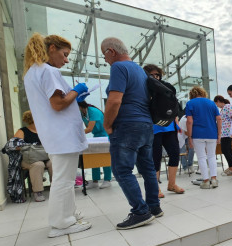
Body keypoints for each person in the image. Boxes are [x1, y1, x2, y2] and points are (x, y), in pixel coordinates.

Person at [22, 33, 91, 237]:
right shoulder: (48, 71)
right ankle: (62, 223)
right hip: (62, 135)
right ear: (52, 48)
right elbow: (58, 104)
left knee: (65, 178)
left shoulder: (32, 72)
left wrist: (73, 94)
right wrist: (76, 92)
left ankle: (68, 214)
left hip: (53, 134)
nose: (67, 59)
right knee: (64, 180)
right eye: (65, 54)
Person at [101, 37, 161, 229]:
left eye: (104, 55)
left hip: (127, 125)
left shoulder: (118, 67)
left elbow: (115, 100)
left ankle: (140, 212)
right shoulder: (139, 70)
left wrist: (108, 125)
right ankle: (154, 207)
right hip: (145, 125)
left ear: (111, 51)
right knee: (148, 169)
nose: (105, 60)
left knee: (121, 169)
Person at [143, 64, 185, 196]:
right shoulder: (144, 88)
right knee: (155, 158)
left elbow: (174, 106)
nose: (155, 77)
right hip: (154, 129)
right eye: (152, 75)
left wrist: (176, 122)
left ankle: (172, 184)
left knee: (174, 153)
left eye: (157, 75)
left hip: (169, 127)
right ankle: (156, 188)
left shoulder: (166, 87)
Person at [186, 86, 222, 189]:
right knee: (211, 156)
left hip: (197, 134)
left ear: (192, 95)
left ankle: (206, 181)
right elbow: (219, 119)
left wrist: (189, 137)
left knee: (201, 157)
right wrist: (219, 134)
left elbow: (189, 121)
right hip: (212, 133)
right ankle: (214, 179)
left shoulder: (190, 103)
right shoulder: (211, 103)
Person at [14, 110, 53, 202]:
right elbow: (15, 146)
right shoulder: (22, 131)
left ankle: (57, 188)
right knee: (38, 165)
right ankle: (38, 191)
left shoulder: (44, 130)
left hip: (45, 157)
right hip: (29, 159)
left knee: (53, 163)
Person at [78, 101, 112, 190]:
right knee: (94, 157)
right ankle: (95, 181)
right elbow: (86, 126)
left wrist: (76, 134)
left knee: (104, 157)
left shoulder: (93, 111)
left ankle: (107, 180)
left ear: (80, 106)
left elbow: (89, 129)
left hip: (105, 136)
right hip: (96, 136)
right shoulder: (82, 113)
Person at [214, 95, 232, 176]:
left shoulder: (228, 106)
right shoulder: (223, 109)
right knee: (227, 150)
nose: (217, 105)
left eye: (216, 103)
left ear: (219, 101)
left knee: (226, 150)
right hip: (224, 133)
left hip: (227, 132)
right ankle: (231, 167)